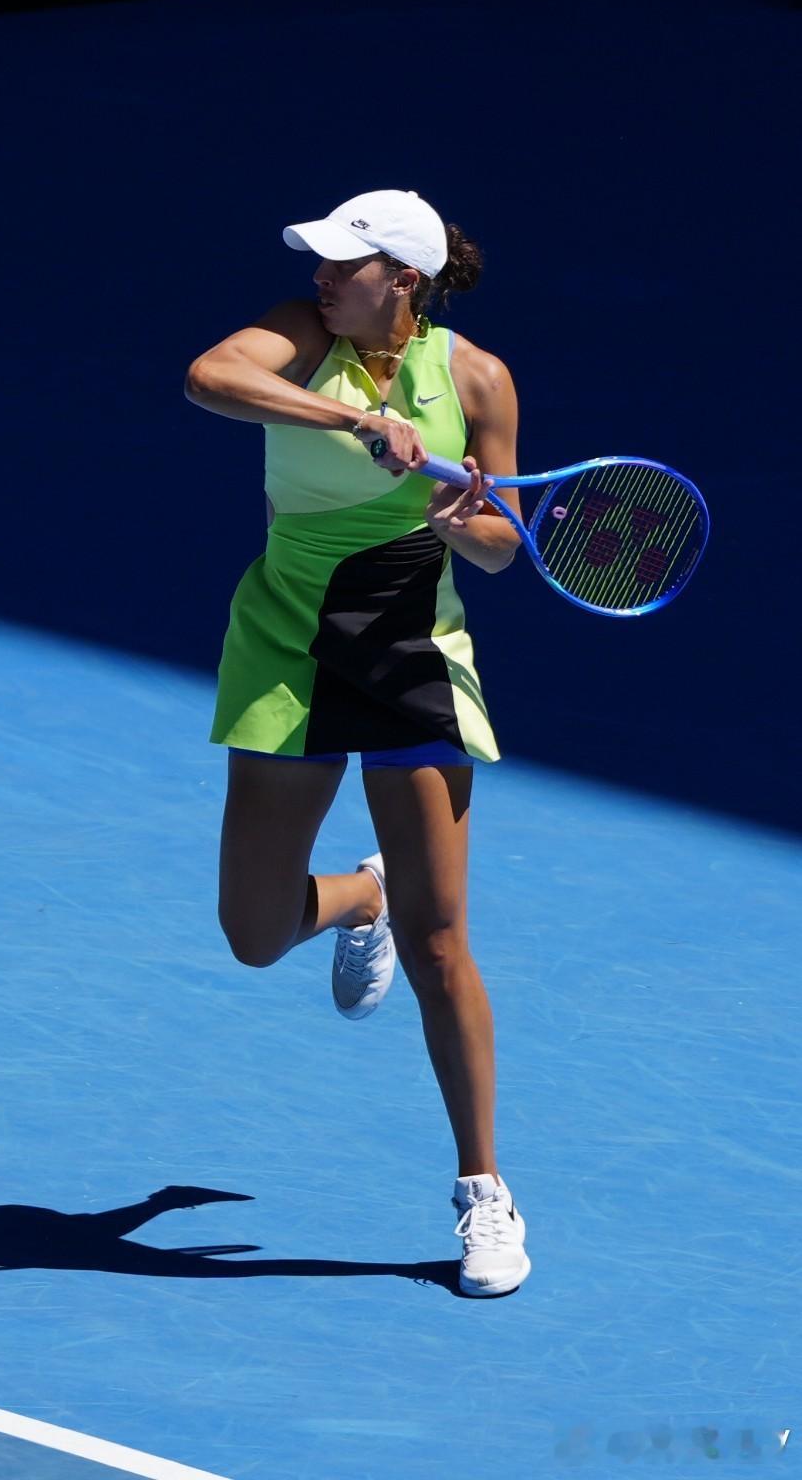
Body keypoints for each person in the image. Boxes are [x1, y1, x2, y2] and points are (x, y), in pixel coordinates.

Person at [184, 188, 531, 1296]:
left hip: (412, 651)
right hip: (285, 643)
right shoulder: (299, 334)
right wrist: (351, 422)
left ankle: (484, 1191)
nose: (323, 277)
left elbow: (500, 543)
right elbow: (209, 377)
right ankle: (358, 896)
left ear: (405, 282)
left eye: (347, 264)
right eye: (323, 261)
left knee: (440, 943)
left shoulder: (476, 378)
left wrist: (460, 522)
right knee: (252, 933)